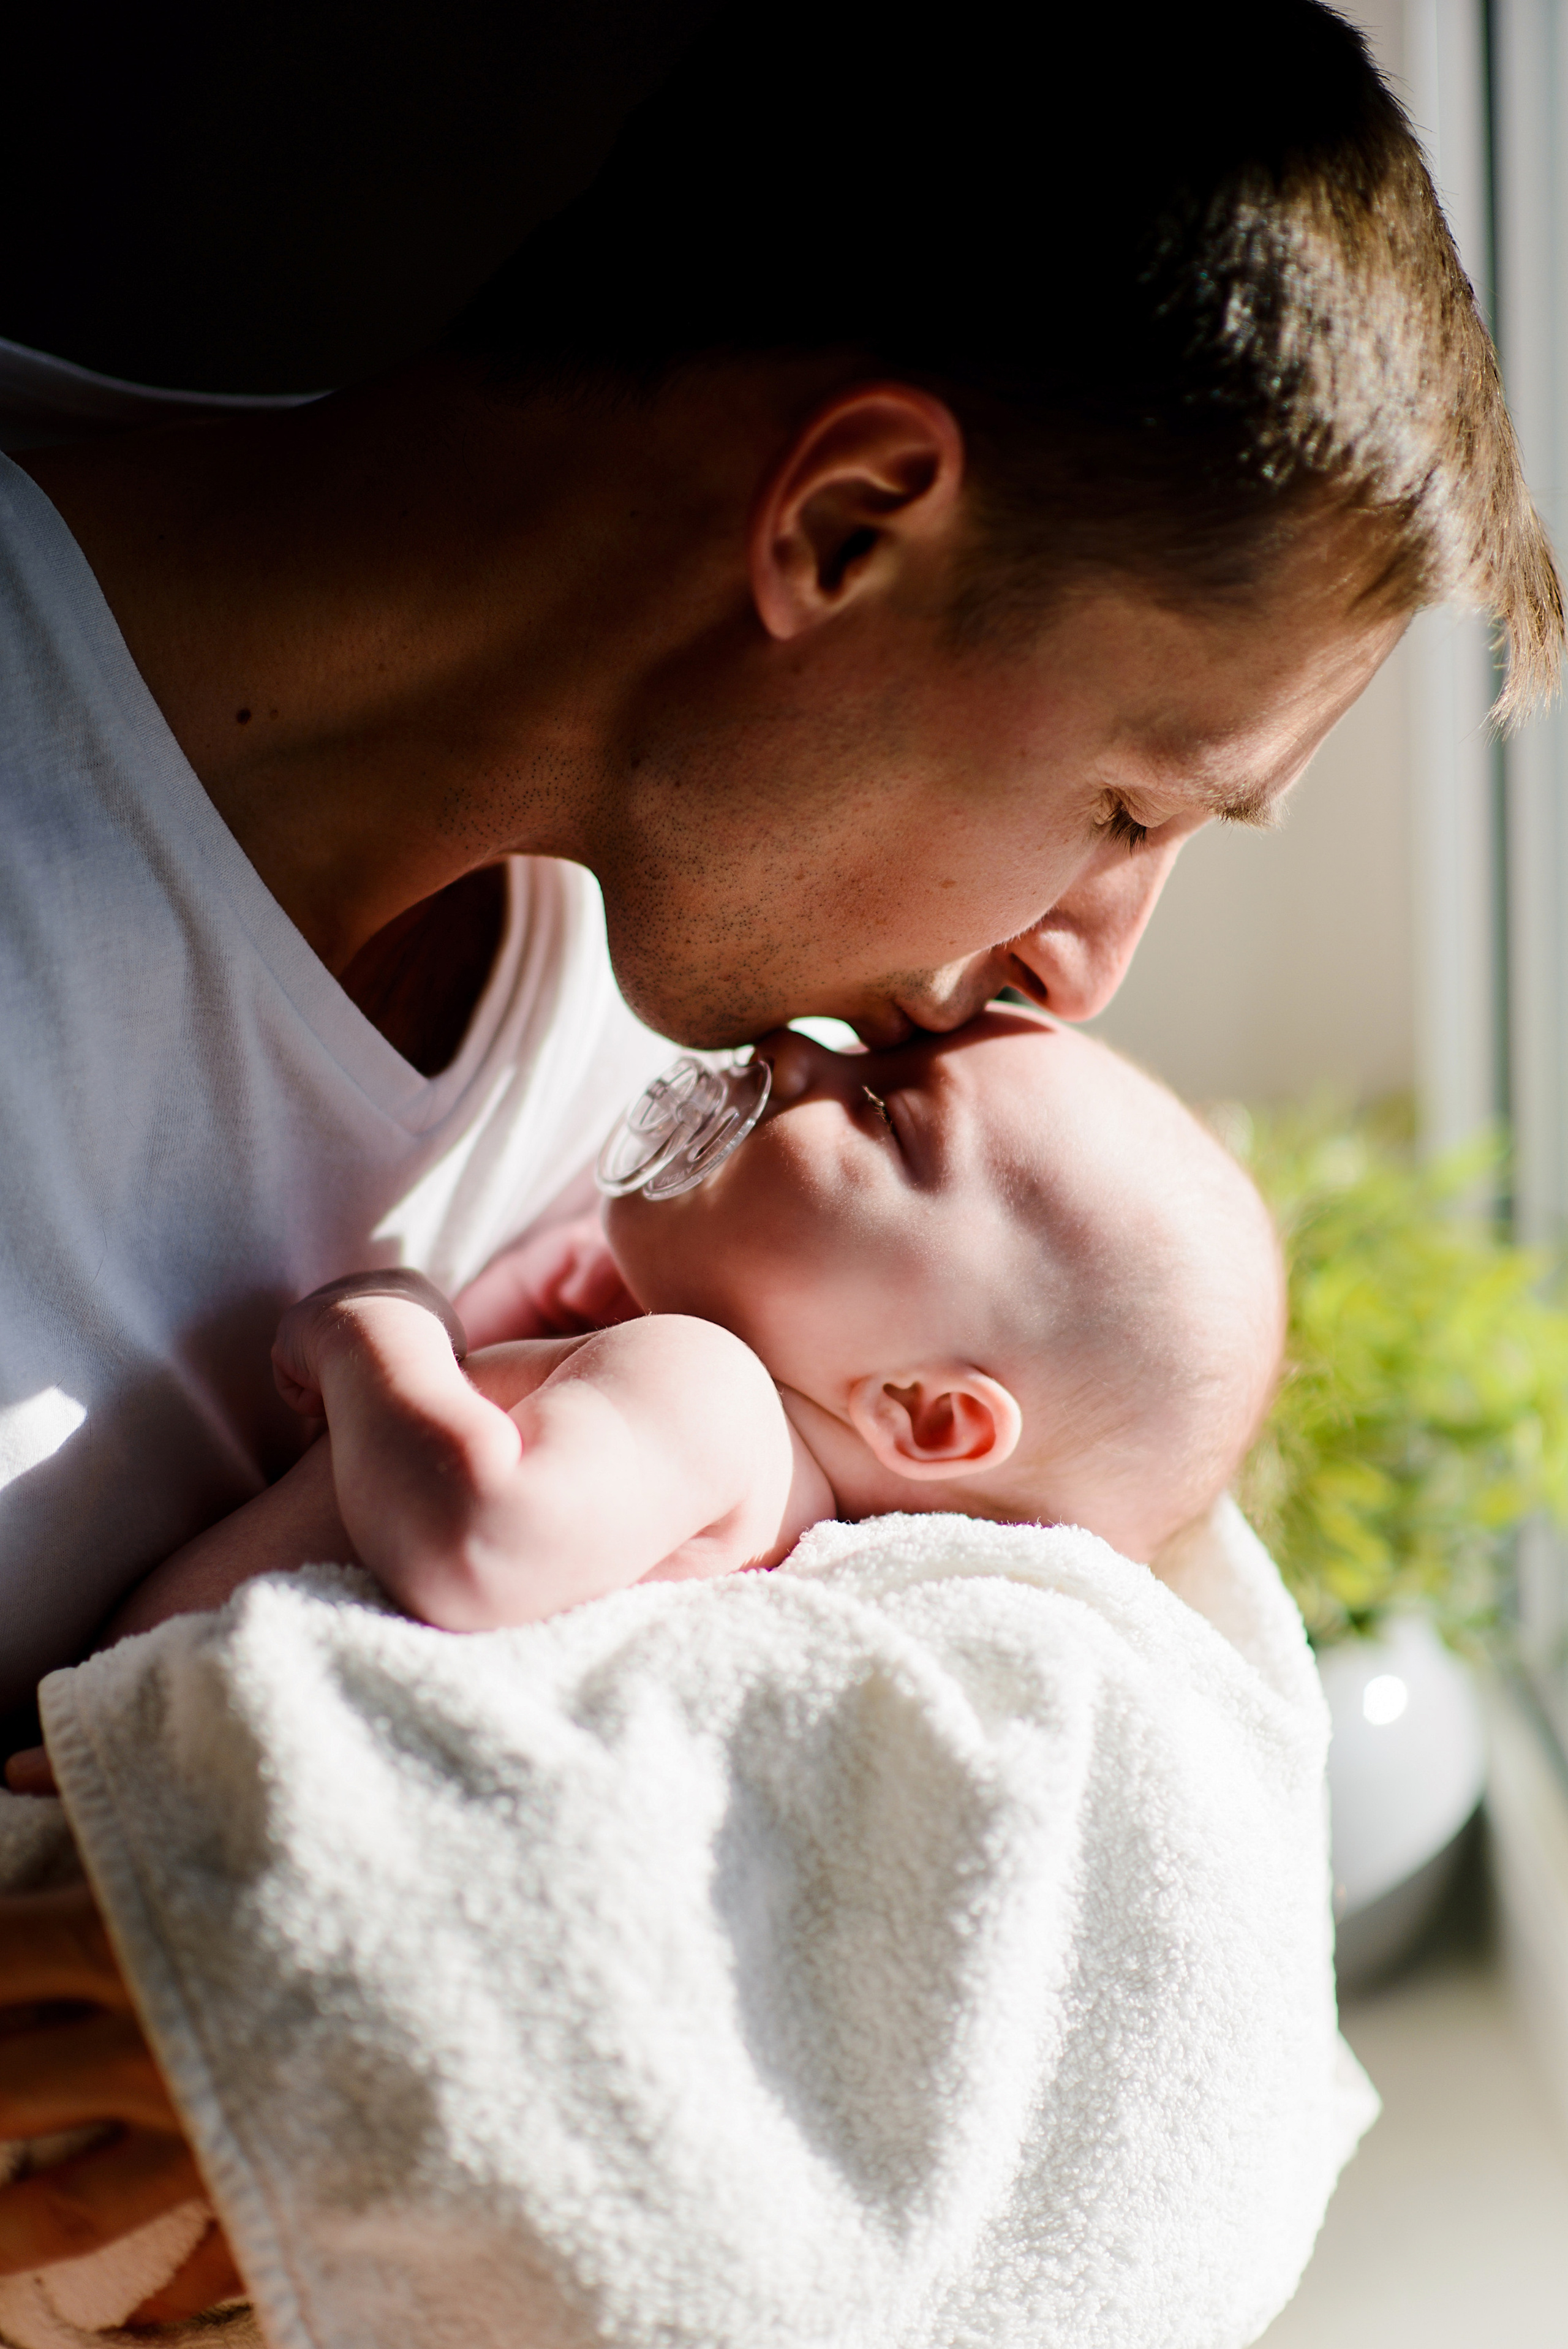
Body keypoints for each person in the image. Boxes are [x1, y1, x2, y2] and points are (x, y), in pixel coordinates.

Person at [0, 0, 1559, 2317]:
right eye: (1127, 803)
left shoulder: (716, 1030)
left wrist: (451, 2047)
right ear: (845, 528)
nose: (1084, 973)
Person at [99, 1013, 1283, 1650]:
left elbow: (480, 1548)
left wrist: (380, 1335)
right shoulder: (732, 1449)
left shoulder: (708, 1390)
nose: (801, 1051)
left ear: (925, 1412)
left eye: (882, 1110)